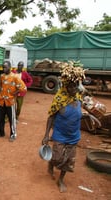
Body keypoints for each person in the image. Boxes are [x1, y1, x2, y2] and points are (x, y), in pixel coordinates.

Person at [42, 63, 85, 193]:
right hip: (60, 134)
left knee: (68, 161)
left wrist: (88, 117)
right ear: (66, 86)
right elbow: (51, 117)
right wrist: (46, 135)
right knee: (57, 158)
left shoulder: (78, 98)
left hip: (74, 135)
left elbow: (78, 114)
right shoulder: (59, 99)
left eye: (76, 86)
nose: (74, 89)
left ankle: (61, 180)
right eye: (71, 86)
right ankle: (51, 163)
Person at [0, 61, 26, 142]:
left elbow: (23, 88)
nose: (3, 69)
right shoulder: (2, 76)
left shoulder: (15, 77)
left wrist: (15, 93)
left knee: (11, 119)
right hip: (2, 101)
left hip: (10, 101)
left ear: (9, 67)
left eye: (5, 67)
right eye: (3, 67)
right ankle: (0, 132)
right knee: (0, 118)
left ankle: (13, 134)